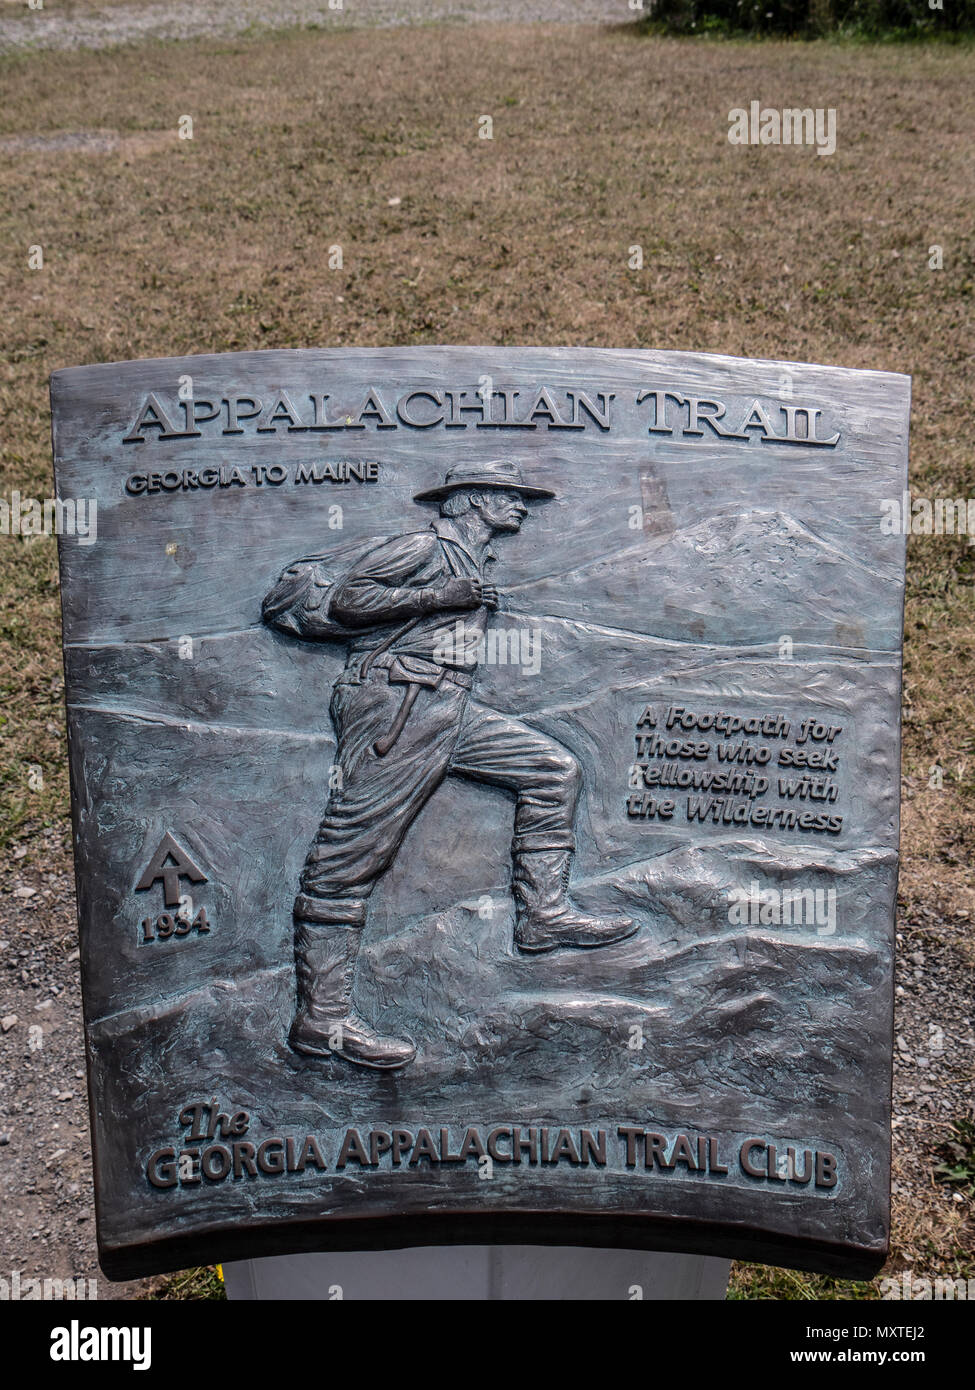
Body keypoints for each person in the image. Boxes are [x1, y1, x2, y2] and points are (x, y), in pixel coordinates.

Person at [265, 459, 636, 1071]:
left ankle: (542, 916)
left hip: (448, 704)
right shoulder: (422, 546)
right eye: (506, 495)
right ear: (467, 501)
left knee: (552, 770)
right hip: (397, 705)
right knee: (350, 855)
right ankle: (321, 1019)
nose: (520, 505)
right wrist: (442, 595)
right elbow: (352, 599)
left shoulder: (471, 558)